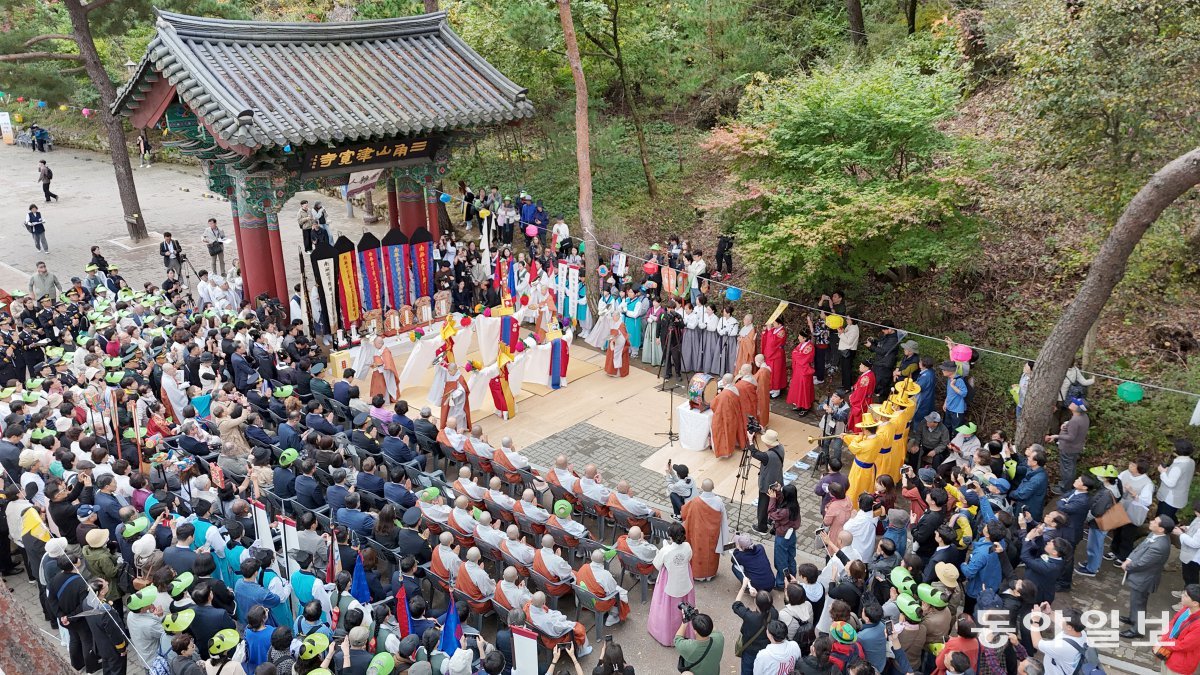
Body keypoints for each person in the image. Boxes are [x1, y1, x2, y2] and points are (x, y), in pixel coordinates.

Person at [1121, 513, 1173, 639]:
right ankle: (1133, 618)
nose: (1151, 522)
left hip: (1144, 579)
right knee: (1135, 601)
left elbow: (1143, 563)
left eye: (1155, 521)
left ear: (1161, 529)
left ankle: (1137, 630)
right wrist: (1129, 558)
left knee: (1139, 603)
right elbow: (1140, 548)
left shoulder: (1160, 546)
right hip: (1140, 576)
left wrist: (1128, 566)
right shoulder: (1155, 534)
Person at [647, 522, 694, 646]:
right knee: (685, 601)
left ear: (671, 537)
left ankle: (667, 634)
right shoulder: (687, 546)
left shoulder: (666, 550)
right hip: (684, 577)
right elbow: (689, 558)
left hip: (669, 579)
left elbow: (656, 564)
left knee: (667, 607)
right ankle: (686, 630)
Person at [681, 478, 731, 581]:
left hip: (698, 534)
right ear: (713, 487)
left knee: (698, 553)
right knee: (711, 554)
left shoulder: (695, 502)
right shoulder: (719, 501)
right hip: (714, 535)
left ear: (702, 488)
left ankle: (698, 574)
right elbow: (724, 520)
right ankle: (710, 574)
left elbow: (684, 514)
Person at [732, 578, 778, 675]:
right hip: (766, 649)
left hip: (750, 651)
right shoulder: (774, 613)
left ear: (755, 603)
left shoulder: (751, 617)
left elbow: (736, 605)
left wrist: (743, 586)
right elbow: (767, 605)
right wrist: (757, 596)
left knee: (747, 671)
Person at [1045, 397, 1089, 495]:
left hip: (1069, 448)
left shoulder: (1076, 420)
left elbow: (1071, 437)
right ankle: (1067, 484)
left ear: (1078, 408)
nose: (1072, 403)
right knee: (1071, 466)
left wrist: (1056, 436)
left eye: (1075, 403)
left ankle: (1064, 488)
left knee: (1067, 468)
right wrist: (1067, 424)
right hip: (1076, 447)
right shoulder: (1084, 417)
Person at [1030, 605, 1089, 675]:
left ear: (1069, 627)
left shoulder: (1063, 646)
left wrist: (1035, 621)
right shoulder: (1081, 632)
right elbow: (1063, 622)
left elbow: (1037, 643)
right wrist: (1049, 613)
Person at [1156, 584, 1200, 675]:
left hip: (1179, 664)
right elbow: (1173, 622)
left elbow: (1184, 645)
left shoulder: (1198, 625)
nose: (1182, 596)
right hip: (1168, 653)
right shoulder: (1186, 608)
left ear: (1195, 603)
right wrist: (1165, 636)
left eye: (1186, 595)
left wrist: (1164, 640)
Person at [766, 484, 801, 589]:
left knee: (781, 561)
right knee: (791, 558)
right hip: (792, 535)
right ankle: (792, 578)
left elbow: (771, 513)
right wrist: (779, 492)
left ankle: (781, 583)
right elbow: (783, 501)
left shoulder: (784, 512)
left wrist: (772, 499)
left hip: (782, 537)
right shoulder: (794, 505)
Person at [751, 430, 785, 534]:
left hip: (767, 485)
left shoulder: (767, 456)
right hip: (777, 482)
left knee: (763, 505)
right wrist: (761, 430)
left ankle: (762, 527)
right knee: (775, 502)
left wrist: (749, 440)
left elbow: (754, 453)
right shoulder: (781, 447)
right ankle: (772, 520)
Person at [1157, 438, 1196, 521]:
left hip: (1169, 499)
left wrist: (1162, 472)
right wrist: (1168, 470)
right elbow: (1182, 474)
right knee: (1171, 515)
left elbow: (1170, 483)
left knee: (1162, 520)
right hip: (1180, 495)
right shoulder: (1191, 461)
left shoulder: (1178, 466)